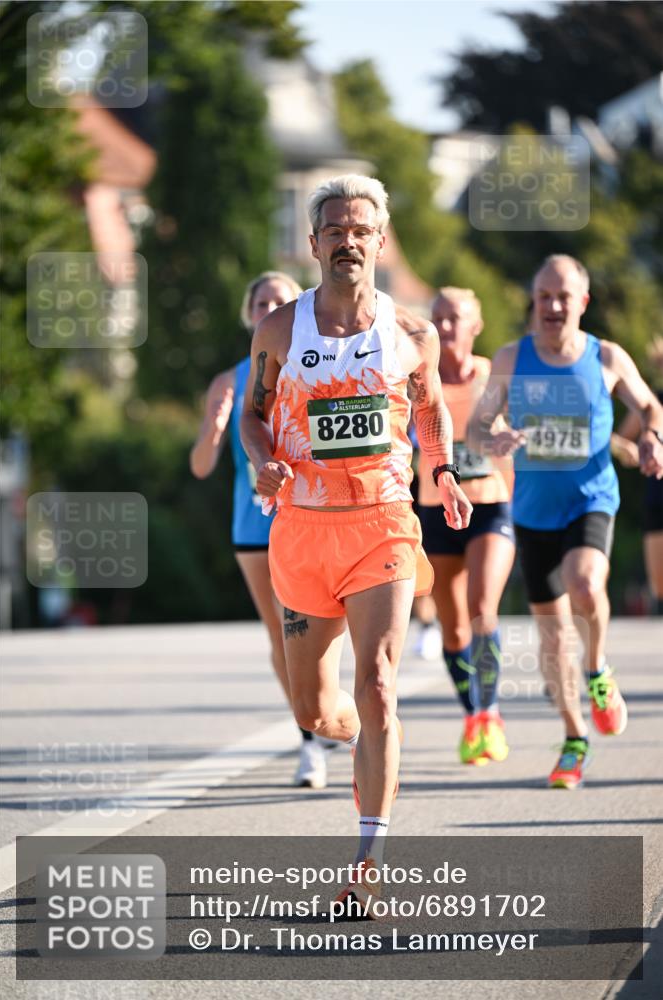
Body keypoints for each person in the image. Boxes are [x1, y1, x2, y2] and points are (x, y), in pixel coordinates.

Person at [240, 175, 472, 910]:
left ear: (380, 239)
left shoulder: (412, 334)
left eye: (360, 230)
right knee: (314, 711)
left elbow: (430, 411)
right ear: (313, 244)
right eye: (334, 230)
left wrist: (443, 471)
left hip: (383, 525)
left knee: (376, 684)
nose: (348, 241)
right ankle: (363, 741)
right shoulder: (280, 331)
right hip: (303, 532)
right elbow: (252, 416)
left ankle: (368, 860)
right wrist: (263, 459)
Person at [467, 254, 663, 789]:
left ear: (583, 302)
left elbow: (650, 407)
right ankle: (575, 738)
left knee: (584, 583)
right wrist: (493, 438)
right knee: (553, 639)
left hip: (590, 499)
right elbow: (477, 426)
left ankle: (597, 668)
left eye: (563, 296)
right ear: (535, 301)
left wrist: (651, 437)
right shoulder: (511, 358)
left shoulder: (607, 357)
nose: (552, 306)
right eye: (544, 296)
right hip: (533, 513)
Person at [190, 271, 336, 790]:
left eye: (281, 301)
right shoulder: (229, 381)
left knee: (321, 627)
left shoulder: (318, 365)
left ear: (298, 309)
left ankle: (332, 709)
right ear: (249, 314)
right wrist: (213, 429)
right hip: (254, 523)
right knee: (283, 633)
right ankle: (310, 740)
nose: (270, 310)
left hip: (313, 515)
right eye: (261, 303)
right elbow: (201, 467)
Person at [418, 287, 515, 765]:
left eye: (454, 318)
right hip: (434, 509)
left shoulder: (493, 378)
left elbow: (519, 435)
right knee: (453, 629)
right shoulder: (418, 380)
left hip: (490, 506)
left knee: (481, 609)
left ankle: (489, 713)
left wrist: (508, 440)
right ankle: (473, 715)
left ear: (475, 326)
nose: (444, 327)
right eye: (437, 318)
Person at [611, 336, 663, 614]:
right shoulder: (652, 405)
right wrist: (627, 450)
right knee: (660, 586)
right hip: (658, 498)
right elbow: (616, 439)